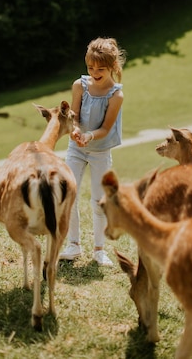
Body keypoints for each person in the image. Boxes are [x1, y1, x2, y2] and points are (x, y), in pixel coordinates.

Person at [59, 37, 126, 267]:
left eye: (100, 69)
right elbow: (74, 116)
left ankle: (99, 250)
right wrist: (76, 130)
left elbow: (106, 128)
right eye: (90, 67)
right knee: (70, 194)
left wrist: (89, 136)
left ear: (113, 67)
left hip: (99, 151)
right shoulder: (79, 86)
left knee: (99, 201)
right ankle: (73, 246)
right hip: (76, 150)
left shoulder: (116, 95)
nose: (94, 72)